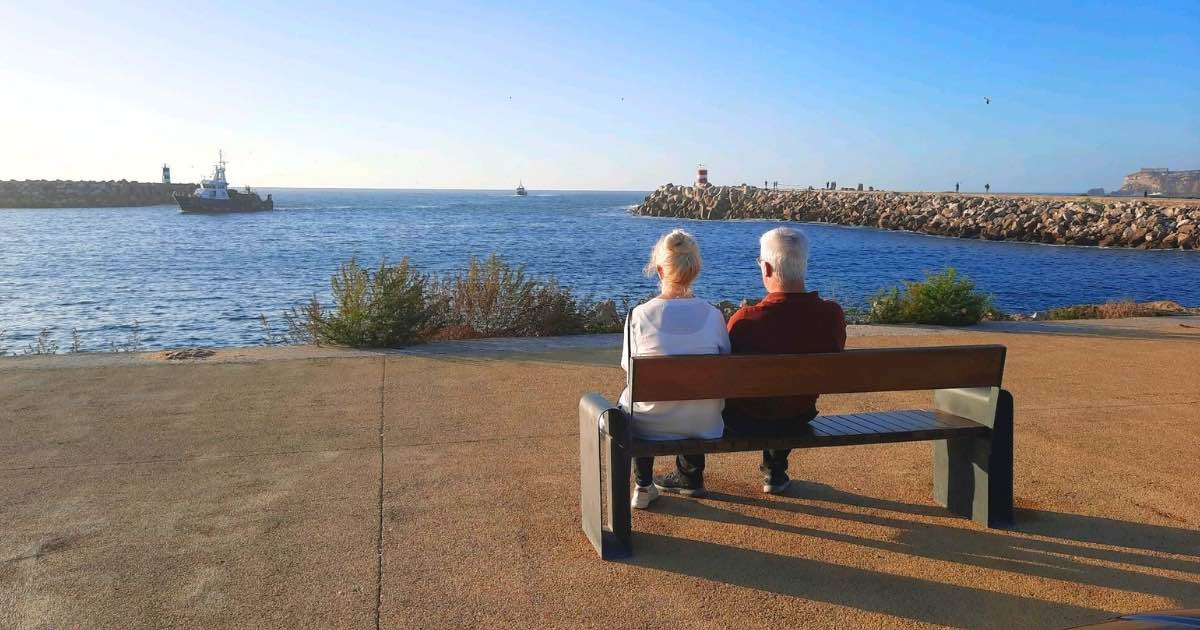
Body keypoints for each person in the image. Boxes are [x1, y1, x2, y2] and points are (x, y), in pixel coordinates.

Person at [724, 227, 846, 494]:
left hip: (746, 420)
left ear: (766, 268)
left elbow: (723, 371)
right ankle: (775, 471)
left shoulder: (745, 320)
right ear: (803, 266)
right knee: (785, 392)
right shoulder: (832, 315)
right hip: (799, 414)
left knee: (758, 393)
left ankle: (689, 474)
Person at [619, 229, 730, 509]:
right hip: (705, 423)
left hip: (650, 424)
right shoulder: (714, 315)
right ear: (696, 269)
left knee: (630, 398)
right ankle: (691, 478)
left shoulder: (639, 316)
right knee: (696, 390)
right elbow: (724, 364)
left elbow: (628, 368)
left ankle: (643, 485)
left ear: (659, 270)